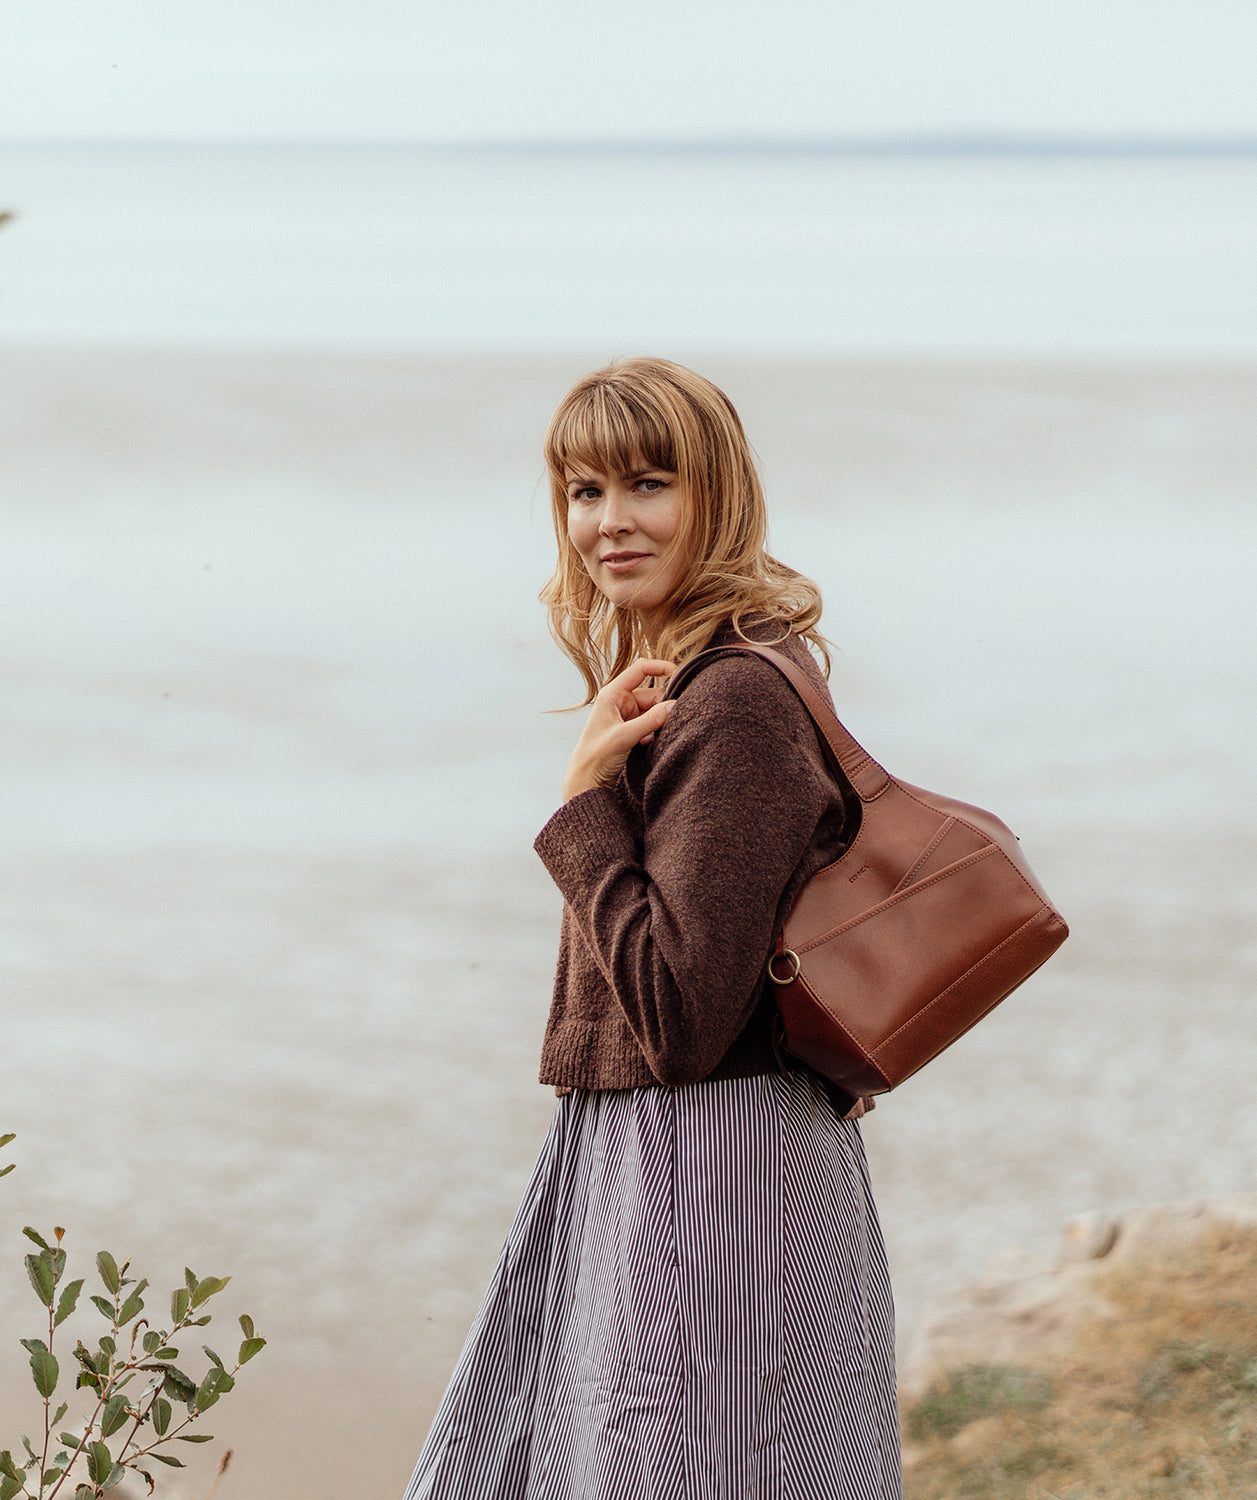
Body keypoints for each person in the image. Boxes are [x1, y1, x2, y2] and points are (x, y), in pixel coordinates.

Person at [403, 358, 902, 1500]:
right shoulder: (700, 680)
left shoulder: (730, 700)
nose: (608, 524)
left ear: (714, 498)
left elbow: (677, 1008)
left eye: (648, 485)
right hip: (684, 1150)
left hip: (705, 1166)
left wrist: (583, 805)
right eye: (583, 492)